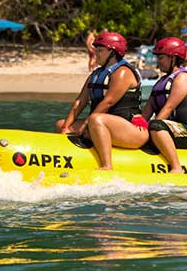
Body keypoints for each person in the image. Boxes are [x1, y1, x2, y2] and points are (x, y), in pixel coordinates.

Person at [55, 32, 148, 170]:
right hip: (101, 125)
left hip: (132, 130)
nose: (95, 53)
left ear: (113, 52)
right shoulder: (96, 74)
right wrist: (65, 128)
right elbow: (80, 101)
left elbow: (108, 102)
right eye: (96, 50)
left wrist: (85, 124)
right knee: (60, 124)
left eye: (100, 50)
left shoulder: (123, 72)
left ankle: (106, 166)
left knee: (96, 119)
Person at [141, 37, 187, 174]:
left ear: (174, 58)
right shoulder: (161, 82)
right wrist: (136, 128)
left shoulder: (183, 78)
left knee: (156, 124)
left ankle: (176, 167)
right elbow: (147, 110)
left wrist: (151, 127)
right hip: (169, 130)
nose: (158, 62)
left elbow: (169, 108)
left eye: (161, 58)